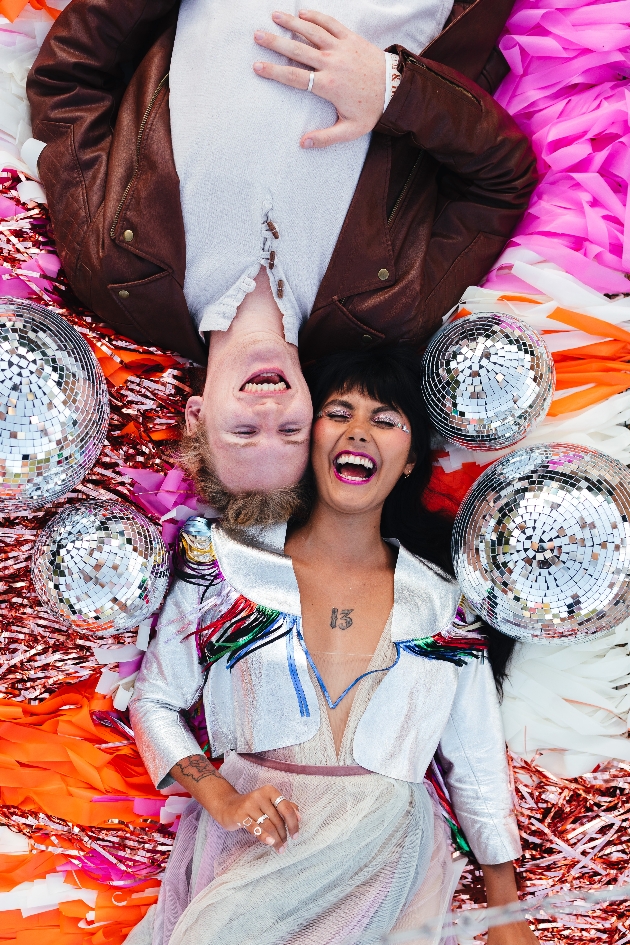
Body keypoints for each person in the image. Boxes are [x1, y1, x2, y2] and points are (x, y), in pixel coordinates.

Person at [26, 0, 537, 508]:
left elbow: (67, 85)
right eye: (291, 430)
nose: (269, 409)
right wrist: (392, 90)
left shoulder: (114, 272)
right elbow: (502, 184)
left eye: (244, 431)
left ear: (197, 414)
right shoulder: (392, 308)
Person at [128, 345, 536, 945]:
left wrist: (505, 910)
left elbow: (474, 765)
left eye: (386, 419)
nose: (360, 432)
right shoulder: (225, 566)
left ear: (408, 462)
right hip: (254, 852)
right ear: (308, 436)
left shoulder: (444, 607)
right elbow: (155, 701)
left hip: (385, 863)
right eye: (339, 411)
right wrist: (222, 797)